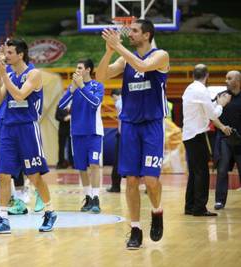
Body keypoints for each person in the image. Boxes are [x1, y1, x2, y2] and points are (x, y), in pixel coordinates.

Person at [96, 19, 168, 249]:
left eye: (135, 31)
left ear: (146, 35)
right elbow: (100, 77)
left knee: (151, 180)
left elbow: (142, 66)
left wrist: (118, 47)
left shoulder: (160, 56)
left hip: (152, 125)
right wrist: (109, 52)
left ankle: (157, 211)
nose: (130, 34)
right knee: (131, 180)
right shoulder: (124, 58)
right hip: (129, 125)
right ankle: (135, 228)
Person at [0, 38, 57, 234]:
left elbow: (19, 95)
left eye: (10, 53)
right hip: (8, 128)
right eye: (5, 53)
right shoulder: (7, 74)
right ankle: (3, 219)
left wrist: (4, 77)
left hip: (27, 128)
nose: (6, 56)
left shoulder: (33, 74)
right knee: (3, 174)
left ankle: (50, 211)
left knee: (34, 176)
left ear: (20, 54)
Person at [182, 64, 231, 216]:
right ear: (207, 75)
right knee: (202, 172)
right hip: (197, 135)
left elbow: (204, 109)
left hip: (189, 135)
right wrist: (221, 104)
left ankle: (190, 206)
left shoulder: (190, 88)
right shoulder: (202, 91)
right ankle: (199, 208)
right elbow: (212, 115)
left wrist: (215, 103)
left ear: (193, 75)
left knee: (194, 172)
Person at [58, 58, 104, 213]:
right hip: (77, 133)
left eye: (79, 68)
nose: (76, 71)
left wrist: (82, 87)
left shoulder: (97, 86)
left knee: (95, 165)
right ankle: (88, 197)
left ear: (88, 70)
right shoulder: (74, 89)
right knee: (82, 168)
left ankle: (96, 197)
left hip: (94, 133)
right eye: (76, 68)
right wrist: (72, 89)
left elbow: (95, 102)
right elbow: (61, 106)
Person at [212, 70, 241, 210]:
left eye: (229, 78)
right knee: (222, 169)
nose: (226, 81)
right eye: (226, 78)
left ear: (238, 81)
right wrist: (223, 127)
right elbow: (213, 115)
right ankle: (219, 201)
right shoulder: (221, 96)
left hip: (240, 140)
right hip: (225, 139)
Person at [107, 89, 122, 193]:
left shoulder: (119, 102)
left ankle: (115, 186)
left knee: (117, 161)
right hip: (132, 134)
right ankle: (147, 187)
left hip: (123, 135)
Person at [55, 105, 73, 169]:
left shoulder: (74, 105)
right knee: (61, 147)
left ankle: (72, 163)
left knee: (72, 147)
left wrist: (71, 117)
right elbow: (56, 117)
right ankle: (61, 163)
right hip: (62, 130)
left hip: (71, 130)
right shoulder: (60, 106)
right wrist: (64, 118)